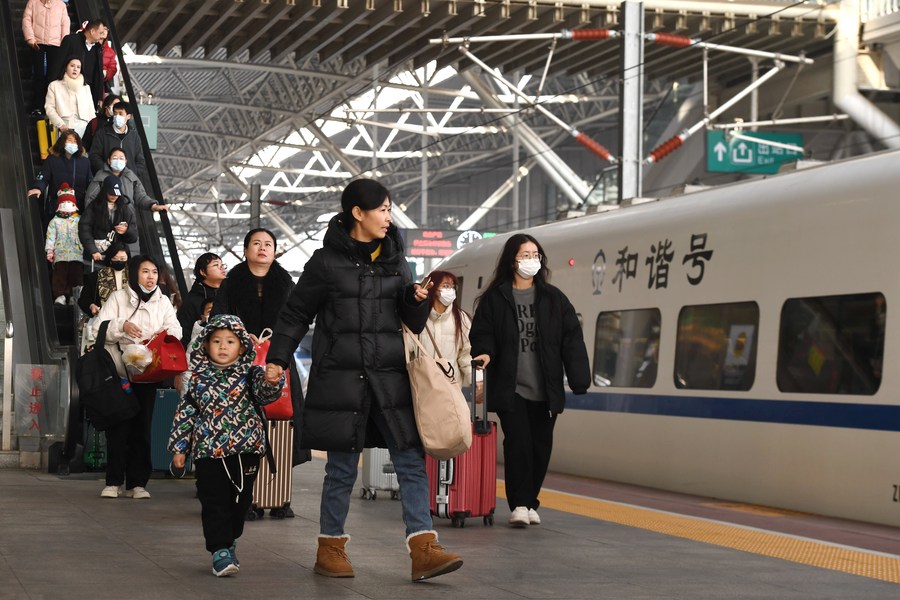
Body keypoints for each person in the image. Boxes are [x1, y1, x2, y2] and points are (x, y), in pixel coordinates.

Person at [264, 179, 463, 582]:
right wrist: (277, 359)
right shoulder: (324, 263)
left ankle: (424, 548)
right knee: (341, 466)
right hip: (343, 379)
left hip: (390, 379)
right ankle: (330, 547)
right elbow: (295, 315)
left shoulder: (396, 261)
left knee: (409, 459)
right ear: (358, 213)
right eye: (383, 209)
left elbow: (408, 322)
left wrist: (415, 301)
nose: (389, 217)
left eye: (389, 210)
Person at [469, 233, 590, 528]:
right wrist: (484, 353)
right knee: (518, 445)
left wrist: (579, 379)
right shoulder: (496, 299)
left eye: (535, 254)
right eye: (525, 255)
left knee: (540, 447)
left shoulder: (554, 299)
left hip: (546, 389)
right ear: (512, 261)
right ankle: (520, 504)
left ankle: (531, 501)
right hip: (512, 387)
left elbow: (571, 339)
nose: (531, 260)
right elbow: (482, 332)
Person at [168, 314, 285, 577]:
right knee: (213, 500)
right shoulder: (197, 380)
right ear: (206, 345)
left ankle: (230, 539)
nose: (223, 346)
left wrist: (272, 380)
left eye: (230, 341)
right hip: (208, 452)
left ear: (242, 346)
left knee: (241, 502)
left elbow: (266, 395)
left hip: (246, 450)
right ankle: (220, 550)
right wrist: (179, 448)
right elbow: (185, 414)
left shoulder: (251, 375)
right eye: (217, 341)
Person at [212, 228, 308, 504]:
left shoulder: (285, 282)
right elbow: (219, 321)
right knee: (243, 424)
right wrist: (242, 337)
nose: (262, 248)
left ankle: (278, 496)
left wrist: (277, 342)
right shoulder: (231, 283)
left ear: (275, 252)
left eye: (268, 244)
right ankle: (246, 496)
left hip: (279, 360)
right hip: (240, 363)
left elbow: (297, 319)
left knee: (284, 422)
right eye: (256, 243)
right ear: (245, 250)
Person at [92, 254, 182, 499]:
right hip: (120, 373)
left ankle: (137, 483)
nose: (151, 277)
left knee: (142, 429)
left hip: (149, 373)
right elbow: (97, 328)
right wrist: (123, 326)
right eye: (145, 271)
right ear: (134, 274)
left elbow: (176, 329)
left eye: (154, 272)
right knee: (119, 427)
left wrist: (160, 337)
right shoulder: (118, 298)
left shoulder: (163, 301)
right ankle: (113, 482)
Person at [84, 147, 168, 254]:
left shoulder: (131, 177)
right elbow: (90, 200)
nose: (118, 161)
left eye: (121, 158)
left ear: (126, 161)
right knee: (109, 258)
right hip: (105, 225)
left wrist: (154, 206)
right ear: (109, 160)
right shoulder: (100, 177)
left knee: (130, 257)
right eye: (115, 158)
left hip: (128, 223)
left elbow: (141, 196)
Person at [417, 270, 473, 390]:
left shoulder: (461, 318)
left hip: (450, 389)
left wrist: (476, 379)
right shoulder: (419, 316)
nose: (451, 290)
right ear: (433, 288)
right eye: (446, 286)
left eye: (453, 287)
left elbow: (466, 354)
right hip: (422, 387)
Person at [27, 130, 92, 228]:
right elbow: (44, 176)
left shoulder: (85, 162)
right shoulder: (52, 159)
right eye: (69, 140)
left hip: (78, 206)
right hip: (56, 204)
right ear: (62, 142)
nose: (72, 144)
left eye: (75, 141)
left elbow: (90, 183)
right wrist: (38, 187)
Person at [22, 0, 70, 116]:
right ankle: (38, 106)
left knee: (53, 77)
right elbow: (26, 20)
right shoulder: (33, 2)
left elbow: (65, 25)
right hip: (37, 44)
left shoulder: (61, 5)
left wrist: (64, 44)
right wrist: (31, 40)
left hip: (56, 46)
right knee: (39, 76)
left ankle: (50, 108)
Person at [78, 174, 138, 264]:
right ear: (104, 191)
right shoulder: (94, 207)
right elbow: (84, 229)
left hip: (117, 257)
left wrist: (127, 230)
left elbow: (134, 236)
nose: (114, 196)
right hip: (97, 256)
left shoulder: (125, 208)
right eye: (111, 193)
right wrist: (93, 250)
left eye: (117, 194)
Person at [52, 18, 107, 106]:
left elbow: (99, 73)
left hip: (87, 93)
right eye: (100, 33)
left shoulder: (98, 48)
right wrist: (53, 88)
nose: (102, 36)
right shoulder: (70, 40)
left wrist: (99, 96)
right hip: (68, 90)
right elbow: (57, 65)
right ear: (92, 31)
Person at [44, 182, 83, 305]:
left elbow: (84, 234)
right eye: (63, 204)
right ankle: (60, 295)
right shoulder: (54, 221)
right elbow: (50, 237)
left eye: (69, 204)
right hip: (60, 253)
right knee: (59, 275)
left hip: (76, 253)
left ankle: (74, 296)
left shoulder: (79, 220)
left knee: (76, 275)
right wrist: (50, 251)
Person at [178, 253, 226, 348]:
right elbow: (185, 336)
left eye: (222, 265)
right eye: (216, 265)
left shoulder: (227, 294)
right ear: (203, 272)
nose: (222, 268)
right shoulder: (191, 302)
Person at [89, 101, 146, 181]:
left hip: (128, 181)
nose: (117, 116)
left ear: (128, 116)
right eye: (115, 113)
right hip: (107, 180)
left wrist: (133, 175)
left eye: (120, 113)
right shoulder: (103, 133)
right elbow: (94, 155)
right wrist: (105, 172)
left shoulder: (134, 135)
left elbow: (140, 160)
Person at [44, 56, 97, 137]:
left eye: (78, 67)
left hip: (84, 126)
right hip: (63, 125)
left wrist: (92, 128)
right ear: (66, 67)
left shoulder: (86, 87)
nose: (75, 69)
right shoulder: (54, 85)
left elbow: (91, 109)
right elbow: (49, 108)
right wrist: (60, 124)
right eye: (72, 66)